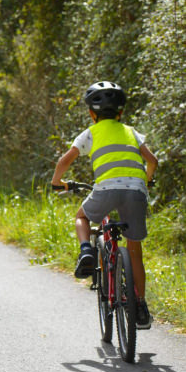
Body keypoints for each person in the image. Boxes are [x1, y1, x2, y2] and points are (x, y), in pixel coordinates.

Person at [51, 81, 158, 329]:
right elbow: (152, 160)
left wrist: (58, 183)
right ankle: (140, 305)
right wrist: (147, 179)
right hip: (135, 190)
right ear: (121, 113)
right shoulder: (132, 132)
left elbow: (64, 160)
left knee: (83, 217)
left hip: (106, 187)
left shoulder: (90, 132)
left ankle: (86, 250)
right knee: (135, 251)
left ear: (91, 113)